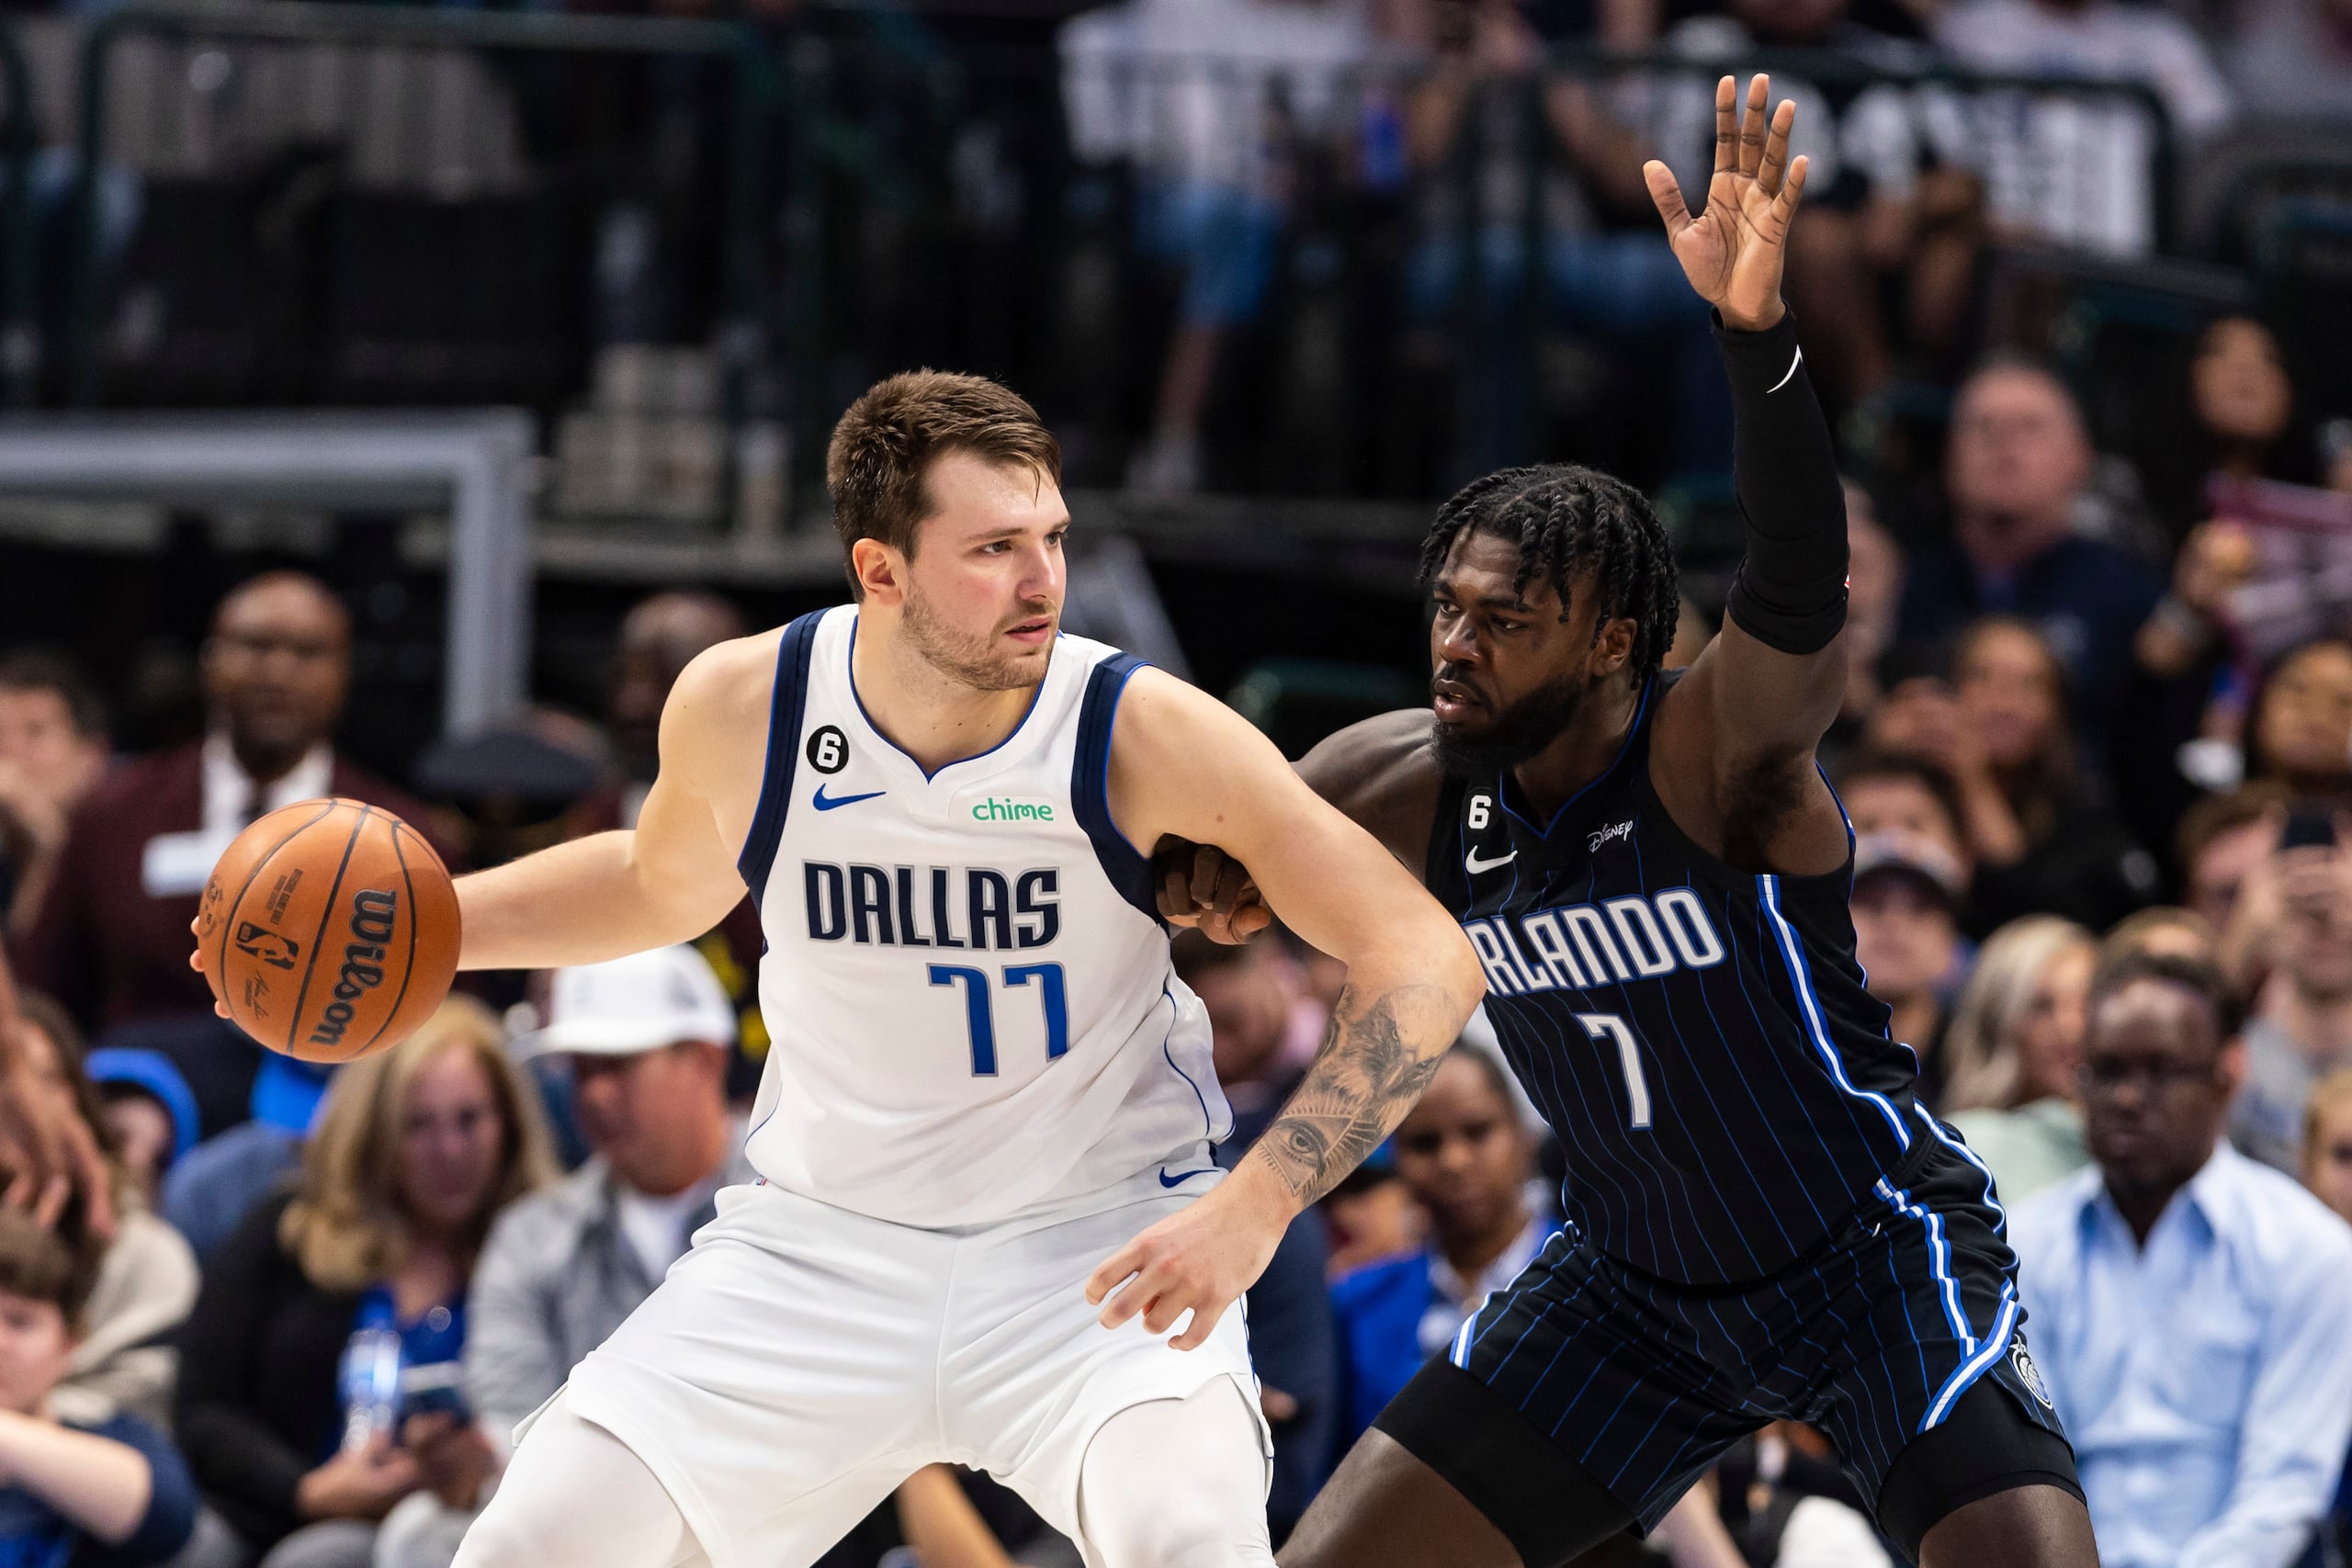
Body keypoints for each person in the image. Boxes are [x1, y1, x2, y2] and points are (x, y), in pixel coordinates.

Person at [317, 367, 1490, 1568]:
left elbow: (1426, 957)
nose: (1042, 581)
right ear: (881, 570)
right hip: (819, 1250)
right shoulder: (747, 703)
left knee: (1191, 1541)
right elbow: (658, 885)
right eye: (993, 547)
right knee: (524, 1544)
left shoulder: (1134, 727)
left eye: (1052, 538)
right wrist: (423, 931)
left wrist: (1258, 1200)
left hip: (1092, 1256)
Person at [1165, 78, 2095, 1568]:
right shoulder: (1403, 777)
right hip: (1630, 1289)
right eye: (1447, 610)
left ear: (1613, 642)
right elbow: (1200, 873)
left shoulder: (1710, 754)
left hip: (1867, 1254)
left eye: (1509, 619)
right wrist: (1194, 882)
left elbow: (1798, 587)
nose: (1458, 646)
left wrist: (1757, 340)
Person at [19, 574, 452, 1134]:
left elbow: (447, 1025)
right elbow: (42, 997)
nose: (277, 671)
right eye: (255, 647)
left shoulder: (406, 838)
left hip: (336, 1135)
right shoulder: (111, 816)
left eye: (305, 652)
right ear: (209, 663)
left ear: (343, 675)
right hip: (131, 1125)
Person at [368, 945, 756, 1568]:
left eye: (619, 1063)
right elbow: (508, 1415)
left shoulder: (788, 1202)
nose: (596, 1092)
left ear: (707, 1057)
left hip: (780, 1503)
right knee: (424, 1535)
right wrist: (478, 1456)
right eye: (580, 1069)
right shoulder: (531, 1235)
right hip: (607, 1522)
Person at [173, 1000, 555, 1568]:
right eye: (418, 1126)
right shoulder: (287, 1231)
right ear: (375, 1131)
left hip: (477, 1521)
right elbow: (203, 1407)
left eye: (469, 1120)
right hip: (280, 1512)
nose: (449, 1152)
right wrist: (306, 1491)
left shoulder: (546, 1247)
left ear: (510, 1123)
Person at [2009, 951, 2352, 1568]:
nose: (2129, 1097)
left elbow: (2283, 1493)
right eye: (2106, 1071)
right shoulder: (2024, 1245)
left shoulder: (2310, 1250)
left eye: (2162, 1070)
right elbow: (2030, 1469)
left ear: (2226, 1078)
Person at [1167, 933, 1338, 1542]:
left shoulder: (1346, 1067)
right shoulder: (1187, 1108)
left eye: (1233, 1019)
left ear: (1274, 966)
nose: (1222, 1044)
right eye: (1205, 1028)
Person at [1896, 358, 2165, 728]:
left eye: (2030, 427)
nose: (2003, 441)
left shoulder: (2128, 599)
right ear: (1949, 457)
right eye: (1983, 426)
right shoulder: (1905, 586)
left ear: (2080, 460)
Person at [1328, 1047, 1554, 1446]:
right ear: (1397, 1157)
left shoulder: (1603, 1282)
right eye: (1425, 1143)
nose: (1453, 1161)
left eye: (1478, 1131)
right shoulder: (1356, 1302)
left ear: (1524, 1137)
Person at [1876, 617, 2158, 931]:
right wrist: (1878, 754)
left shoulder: (2082, 815)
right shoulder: (1910, 782)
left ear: (2056, 709)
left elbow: (2033, 919)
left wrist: (1974, 782)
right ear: (1948, 689)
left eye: (2029, 684)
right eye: (1981, 677)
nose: (2005, 703)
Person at [8, 995, 197, 1430]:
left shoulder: (148, 1255)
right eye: (5, 1078)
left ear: (74, 1098)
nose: (24, 1101)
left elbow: (147, 1428)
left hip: (82, 1476)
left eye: (46, 1077)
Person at [0, 1206, 196, 1568]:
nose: (0, 1344)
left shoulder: (107, 1431)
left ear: (69, 1345)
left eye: (20, 1322)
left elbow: (169, 1517)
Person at [2222, 818, 2352, 1172]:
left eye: (2337, 906)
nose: (2322, 925)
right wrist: (2243, 934)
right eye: (2300, 910)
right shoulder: (2239, 1062)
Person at [1941, 918, 2096, 1199]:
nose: (2070, 1028)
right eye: (2042, 1007)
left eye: (2086, 1004)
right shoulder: (1966, 1145)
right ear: (1998, 1021)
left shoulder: (2137, 1147)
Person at [1849, 832, 1971, 1102]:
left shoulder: (1981, 1064)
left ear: (1951, 941)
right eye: (1872, 904)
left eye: (1920, 909)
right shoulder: (1795, 1046)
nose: (1894, 923)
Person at [0, 652, 110, 933]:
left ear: (90, 755)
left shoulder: (123, 850)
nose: (12, 752)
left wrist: (48, 840)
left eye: (35, 732)